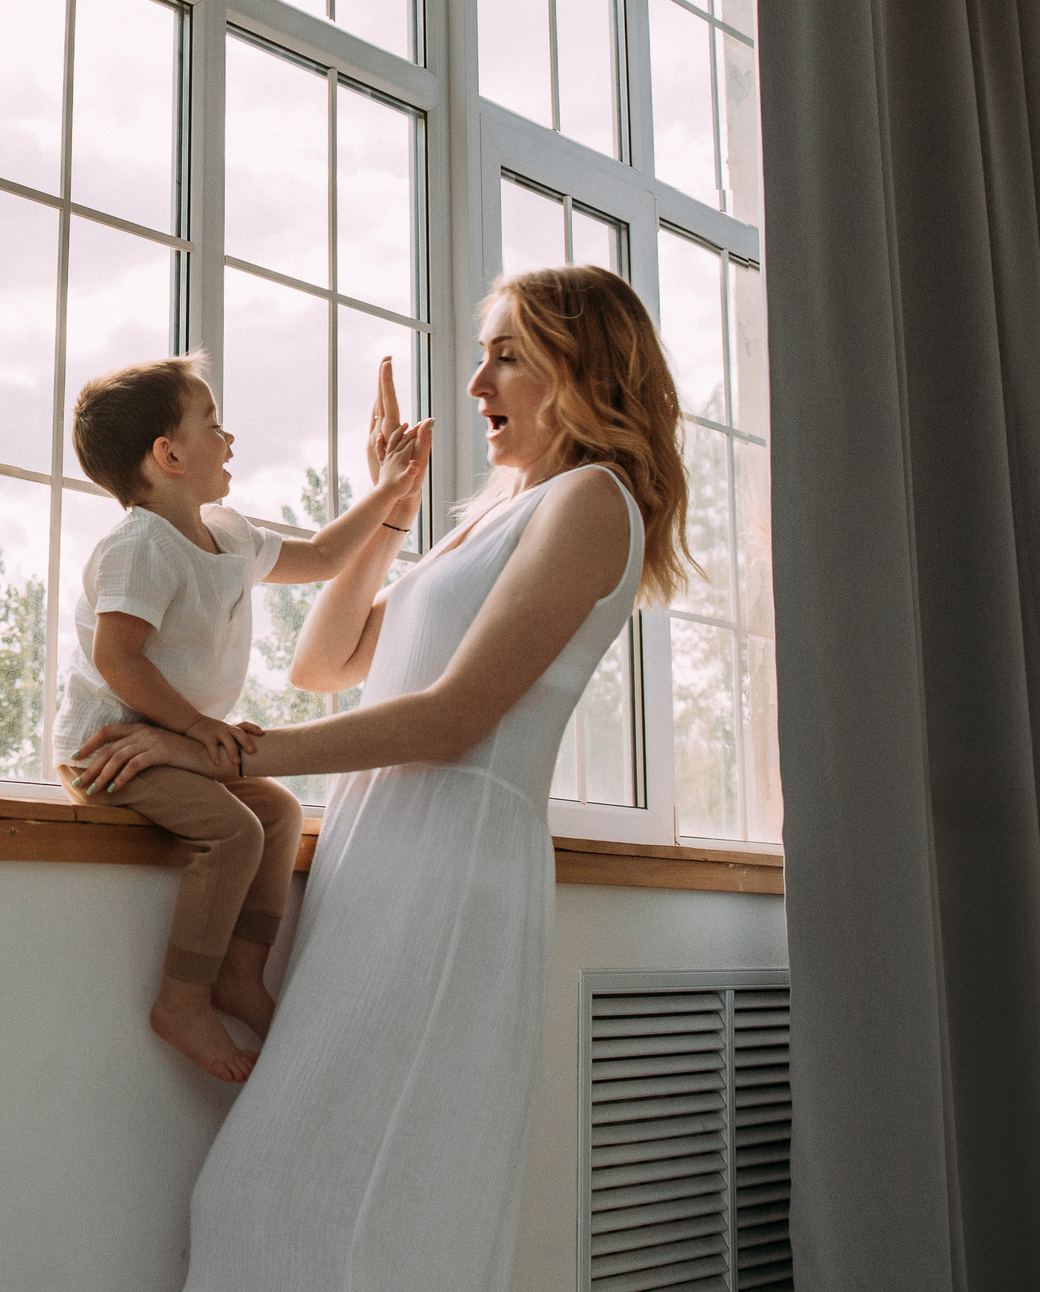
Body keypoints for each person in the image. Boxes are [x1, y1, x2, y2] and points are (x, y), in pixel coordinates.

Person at [68, 266, 694, 1291]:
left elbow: (451, 719)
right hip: (382, 861)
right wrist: (393, 503)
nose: (477, 378)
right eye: (482, 352)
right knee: (291, 1200)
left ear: (577, 371)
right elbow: (325, 664)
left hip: (449, 873)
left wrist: (211, 750)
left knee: (328, 1199)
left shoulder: (588, 503)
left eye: (507, 355)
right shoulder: (489, 512)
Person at [54, 354, 432, 1084]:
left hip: (172, 747)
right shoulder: (139, 547)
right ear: (168, 455)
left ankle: (239, 973)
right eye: (213, 426)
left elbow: (323, 554)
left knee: (280, 812)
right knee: (234, 830)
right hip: (106, 750)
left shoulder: (228, 537)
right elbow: (118, 660)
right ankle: (182, 997)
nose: (230, 441)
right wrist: (195, 726)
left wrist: (389, 489)